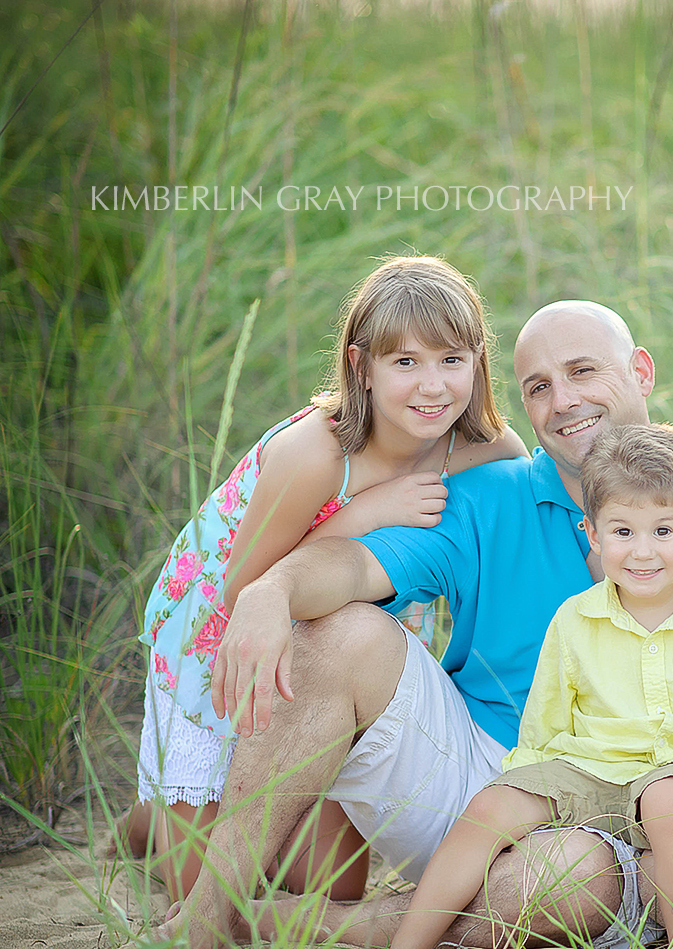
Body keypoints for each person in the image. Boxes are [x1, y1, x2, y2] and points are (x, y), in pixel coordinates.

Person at [59, 301, 673, 949]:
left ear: (642, 371)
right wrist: (271, 590)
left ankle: (291, 922)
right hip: (490, 773)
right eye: (538, 387)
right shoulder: (491, 493)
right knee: (341, 630)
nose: (563, 401)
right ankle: (201, 921)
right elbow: (354, 567)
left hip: (670, 797)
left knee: (564, 883)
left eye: (583, 372)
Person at [122, 255, 528, 901]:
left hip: (338, 644)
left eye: (451, 359)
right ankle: (153, 820)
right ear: (361, 366)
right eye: (405, 362)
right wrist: (366, 512)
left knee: (329, 888)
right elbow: (244, 591)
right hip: (224, 638)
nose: (432, 386)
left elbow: (526, 533)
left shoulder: (488, 451)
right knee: (206, 891)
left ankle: (186, 816)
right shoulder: (315, 454)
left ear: (479, 361)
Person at [361, 423, 673, 949]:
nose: (643, 551)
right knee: (491, 805)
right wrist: (527, 784)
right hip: (592, 766)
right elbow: (547, 720)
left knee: (667, 800)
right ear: (592, 532)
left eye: (663, 530)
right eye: (622, 531)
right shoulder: (575, 618)